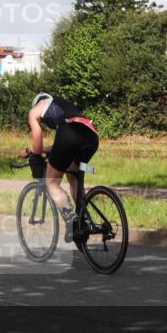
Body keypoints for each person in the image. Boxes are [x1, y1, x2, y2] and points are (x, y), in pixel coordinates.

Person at [20, 93, 99, 242]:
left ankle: (72, 220)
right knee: (72, 174)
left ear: (37, 102)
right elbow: (59, 146)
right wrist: (44, 150)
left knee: (52, 182)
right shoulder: (63, 105)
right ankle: (85, 219)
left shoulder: (34, 112)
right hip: (91, 135)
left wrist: (30, 151)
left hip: (69, 133)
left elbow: (37, 148)